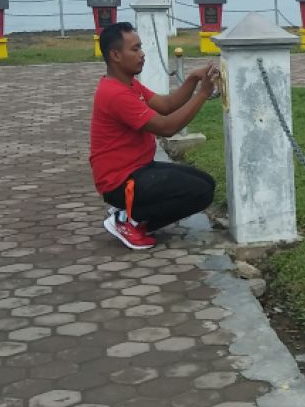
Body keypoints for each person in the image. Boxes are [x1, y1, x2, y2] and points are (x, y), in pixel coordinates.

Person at [90, 21, 220, 250]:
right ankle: (129, 220)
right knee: (198, 192)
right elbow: (167, 127)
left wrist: (192, 79)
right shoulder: (115, 94)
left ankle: (133, 215)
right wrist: (203, 94)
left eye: (140, 47)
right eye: (135, 49)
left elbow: (167, 105)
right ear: (115, 55)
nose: (142, 54)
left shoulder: (129, 85)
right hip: (120, 181)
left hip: (139, 169)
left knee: (206, 185)